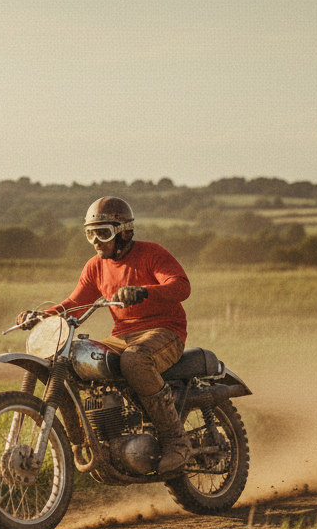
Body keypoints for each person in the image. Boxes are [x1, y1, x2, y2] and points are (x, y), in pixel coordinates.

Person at [17, 196, 192, 473]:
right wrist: (41, 316)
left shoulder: (152, 253)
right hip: (122, 335)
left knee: (135, 361)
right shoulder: (95, 266)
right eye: (90, 234)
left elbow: (181, 286)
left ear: (124, 232)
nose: (96, 241)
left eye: (103, 233)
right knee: (77, 361)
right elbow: (74, 303)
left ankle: (176, 440)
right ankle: (92, 441)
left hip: (164, 331)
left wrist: (144, 291)